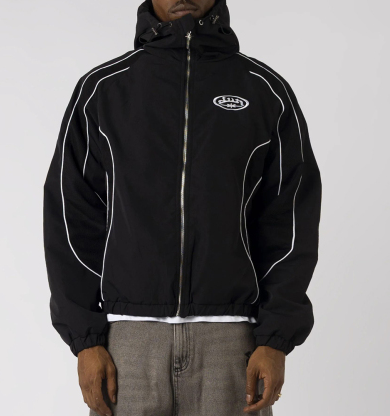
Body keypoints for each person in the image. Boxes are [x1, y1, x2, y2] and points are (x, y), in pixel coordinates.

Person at [42, 0, 322, 414]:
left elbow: (291, 221)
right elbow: (71, 218)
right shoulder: (103, 90)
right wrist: (85, 340)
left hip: (233, 343)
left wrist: (275, 339)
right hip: (128, 343)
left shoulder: (264, 90)